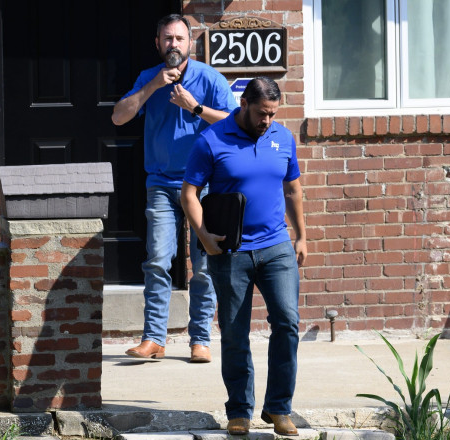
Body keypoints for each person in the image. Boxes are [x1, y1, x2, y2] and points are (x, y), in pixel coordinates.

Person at [181, 77, 306, 436]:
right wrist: (202, 235)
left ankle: (279, 408)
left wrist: (302, 237)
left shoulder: (283, 138)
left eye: (273, 114)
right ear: (244, 104)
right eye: (262, 113)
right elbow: (189, 194)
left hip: (276, 247)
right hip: (230, 251)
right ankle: (239, 409)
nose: (267, 120)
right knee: (235, 333)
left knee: (287, 322)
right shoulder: (211, 140)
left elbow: (293, 189)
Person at [111, 14, 238, 363]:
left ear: (190, 42)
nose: (173, 45)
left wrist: (194, 107)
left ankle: (200, 339)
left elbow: (236, 123)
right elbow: (118, 117)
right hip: (162, 184)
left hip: (204, 186)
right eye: (167, 39)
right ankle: (154, 338)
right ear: (158, 44)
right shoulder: (146, 78)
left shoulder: (209, 78)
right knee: (156, 260)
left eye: (179, 39)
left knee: (205, 262)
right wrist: (153, 86)